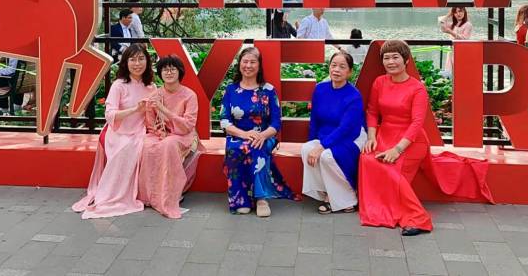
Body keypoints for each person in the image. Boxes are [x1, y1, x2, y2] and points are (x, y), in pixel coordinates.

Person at [359, 40, 493, 236]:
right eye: (386, 58)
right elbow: (372, 111)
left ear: (406, 60)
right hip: (385, 135)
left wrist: (397, 150)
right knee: (367, 159)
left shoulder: (417, 88)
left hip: (411, 141)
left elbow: (416, 123)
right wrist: (371, 136)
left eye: (395, 57)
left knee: (391, 169)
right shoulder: (379, 82)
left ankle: (418, 218)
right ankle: (380, 208)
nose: (390, 62)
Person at [72, 44, 155, 219]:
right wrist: (134, 109)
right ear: (126, 63)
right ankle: (112, 196)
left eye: (141, 59)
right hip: (118, 132)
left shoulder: (151, 87)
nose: (137, 63)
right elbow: (110, 116)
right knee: (126, 148)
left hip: (140, 131)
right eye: (132, 59)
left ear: (147, 61)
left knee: (149, 147)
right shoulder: (119, 85)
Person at [220, 46, 295, 216]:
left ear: (259, 65)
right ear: (239, 65)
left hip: (264, 135)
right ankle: (241, 199)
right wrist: (244, 134)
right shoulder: (230, 90)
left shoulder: (268, 90)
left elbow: (276, 122)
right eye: (245, 61)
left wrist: (261, 135)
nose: (248, 65)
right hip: (238, 135)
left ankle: (261, 198)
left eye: (253, 62)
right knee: (236, 148)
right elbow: (224, 121)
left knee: (255, 146)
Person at [301, 50, 366, 214]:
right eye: (334, 65)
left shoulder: (354, 96)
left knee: (327, 156)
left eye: (342, 67)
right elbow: (315, 119)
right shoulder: (320, 90)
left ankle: (347, 198)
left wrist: (322, 146)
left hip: (352, 137)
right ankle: (327, 191)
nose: (336, 70)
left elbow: (347, 128)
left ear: (350, 72)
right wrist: (313, 142)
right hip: (327, 135)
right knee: (307, 149)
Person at [137, 54, 202, 218]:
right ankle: (148, 195)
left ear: (179, 72)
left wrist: (164, 110)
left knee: (169, 145)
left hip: (184, 134)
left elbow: (188, 125)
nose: (169, 73)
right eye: (165, 70)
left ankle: (171, 193)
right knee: (145, 145)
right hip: (161, 134)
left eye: (173, 69)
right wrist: (159, 132)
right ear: (160, 73)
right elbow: (150, 123)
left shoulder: (189, 95)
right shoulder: (155, 94)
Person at [438, 7, 472, 75]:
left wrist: (451, 32)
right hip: (451, 51)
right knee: (449, 72)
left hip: (461, 51)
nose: (458, 14)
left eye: (460, 11)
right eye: (455, 12)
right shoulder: (453, 24)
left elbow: (464, 39)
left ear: (464, 12)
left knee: (459, 72)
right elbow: (441, 26)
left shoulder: (468, 25)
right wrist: (449, 14)